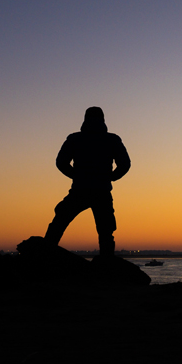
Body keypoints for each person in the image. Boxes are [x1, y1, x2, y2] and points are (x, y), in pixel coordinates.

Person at [44, 107, 130, 256]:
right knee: (106, 230)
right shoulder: (112, 139)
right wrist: (111, 177)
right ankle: (106, 261)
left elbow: (61, 162)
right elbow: (125, 164)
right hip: (101, 190)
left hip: (80, 189)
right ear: (103, 119)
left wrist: (76, 176)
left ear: (85, 119)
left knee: (59, 221)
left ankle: (44, 253)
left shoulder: (75, 138)